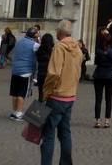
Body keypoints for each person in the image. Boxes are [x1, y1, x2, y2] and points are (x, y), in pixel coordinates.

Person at [40, 20, 82, 165]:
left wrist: (45, 93)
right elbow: (78, 73)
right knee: (65, 134)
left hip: (56, 96)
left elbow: (53, 74)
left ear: (60, 32)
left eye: (57, 29)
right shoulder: (78, 49)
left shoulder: (58, 48)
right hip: (70, 97)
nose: (55, 31)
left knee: (48, 135)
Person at [10, 27, 40, 121]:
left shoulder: (18, 42)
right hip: (26, 71)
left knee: (15, 93)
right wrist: (38, 39)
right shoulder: (34, 45)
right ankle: (19, 113)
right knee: (21, 94)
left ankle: (14, 112)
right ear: (35, 35)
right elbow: (41, 49)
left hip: (15, 70)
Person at [92, 28, 112, 127]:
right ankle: (107, 121)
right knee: (108, 99)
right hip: (110, 75)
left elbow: (97, 62)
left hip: (99, 75)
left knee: (98, 99)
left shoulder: (98, 51)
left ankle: (97, 121)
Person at [36, 31, 55, 101]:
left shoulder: (39, 50)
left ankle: (40, 109)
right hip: (49, 74)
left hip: (41, 73)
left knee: (41, 93)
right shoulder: (52, 51)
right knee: (50, 94)